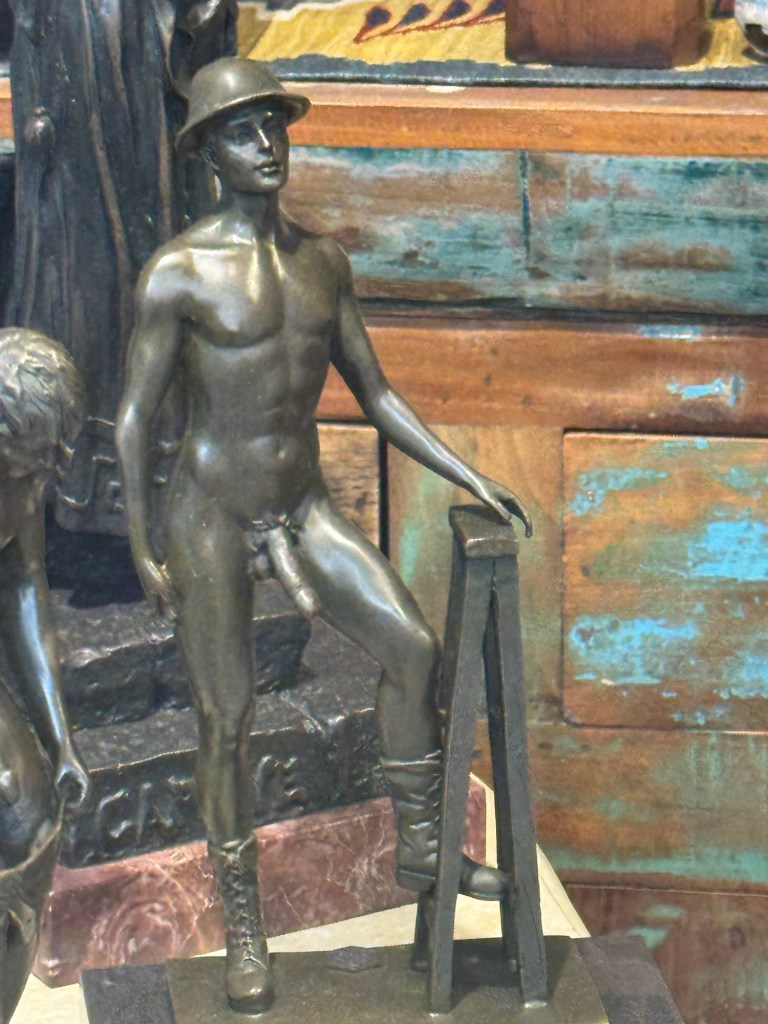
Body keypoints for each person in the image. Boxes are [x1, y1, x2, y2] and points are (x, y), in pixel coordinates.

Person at [117, 57, 532, 1016]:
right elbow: (135, 418)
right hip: (211, 513)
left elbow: (376, 393)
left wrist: (468, 472)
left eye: (275, 125)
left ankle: (422, 849)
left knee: (413, 647)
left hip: (302, 505)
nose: (266, 145)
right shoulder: (178, 272)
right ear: (209, 154)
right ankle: (244, 929)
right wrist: (141, 541)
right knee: (227, 720)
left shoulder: (323, 264)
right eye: (242, 132)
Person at [7, 0, 237, 533]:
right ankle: (62, 473)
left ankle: (150, 481)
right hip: (62, 98)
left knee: (143, 267)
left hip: (142, 103)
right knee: (70, 275)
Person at [0, 327, 90, 1022]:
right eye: (28, 465)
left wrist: (60, 741)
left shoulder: (19, 485)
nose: (40, 482)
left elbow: (23, 587)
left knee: (28, 811)